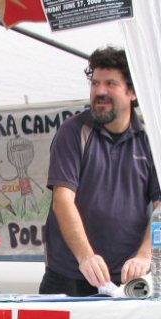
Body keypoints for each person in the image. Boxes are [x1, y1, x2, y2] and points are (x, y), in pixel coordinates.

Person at [39, 46, 161, 297]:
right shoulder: (74, 131)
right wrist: (86, 256)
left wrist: (144, 255)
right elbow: (62, 199)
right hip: (69, 275)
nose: (99, 91)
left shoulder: (150, 138)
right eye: (95, 83)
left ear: (133, 92)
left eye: (110, 84)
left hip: (129, 278)